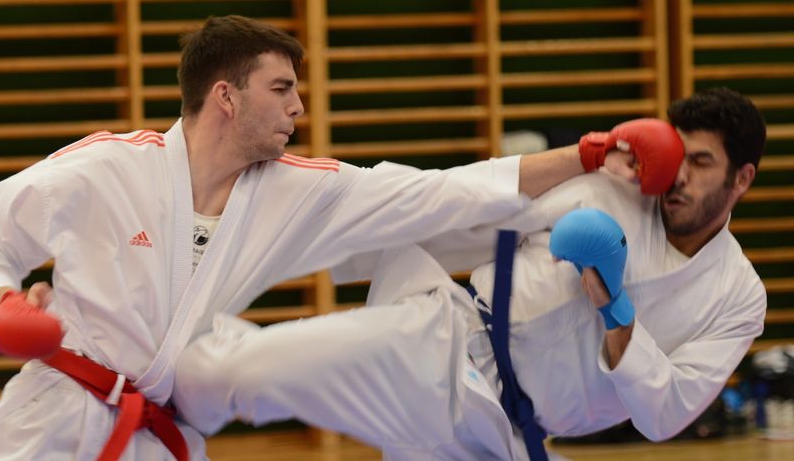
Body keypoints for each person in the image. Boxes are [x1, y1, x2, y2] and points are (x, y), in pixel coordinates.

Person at [0, 15, 680, 461]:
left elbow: (441, 190)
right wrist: (5, 305)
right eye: (282, 88)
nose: (299, 105)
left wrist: (587, 154)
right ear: (226, 97)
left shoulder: (297, 190)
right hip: (51, 418)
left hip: (159, 435)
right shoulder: (106, 167)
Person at [172, 87, 767, 460]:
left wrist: (616, 311)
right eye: (679, 156)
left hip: (510, 436)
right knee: (246, 370)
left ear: (741, 179)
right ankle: (154, 387)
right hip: (441, 345)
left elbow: (666, 415)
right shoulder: (613, 191)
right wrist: (582, 157)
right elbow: (472, 209)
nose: (679, 176)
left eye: (702, 163)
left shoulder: (738, 298)